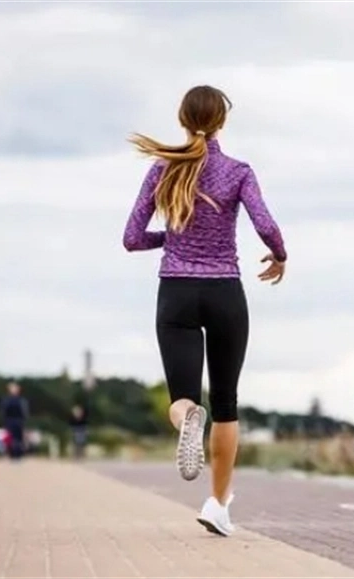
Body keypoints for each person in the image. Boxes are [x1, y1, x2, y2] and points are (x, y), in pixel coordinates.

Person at [123, 85, 287, 536]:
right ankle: (217, 504)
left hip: (175, 292)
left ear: (182, 119)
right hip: (225, 294)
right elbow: (266, 224)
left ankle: (185, 421)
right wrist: (280, 255)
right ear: (222, 121)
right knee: (227, 403)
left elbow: (132, 237)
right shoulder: (238, 171)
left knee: (183, 397)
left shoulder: (163, 169)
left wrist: (171, 240)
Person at [0, 382, 29, 460]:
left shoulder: (21, 400)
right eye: (12, 389)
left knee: (19, 438)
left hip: (19, 421)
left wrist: (24, 421)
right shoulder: (6, 400)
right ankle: (12, 453)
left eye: (15, 389)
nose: (14, 390)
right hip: (9, 421)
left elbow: (24, 412)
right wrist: (3, 422)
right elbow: (3, 412)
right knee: (10, 439)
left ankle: (18, 454)